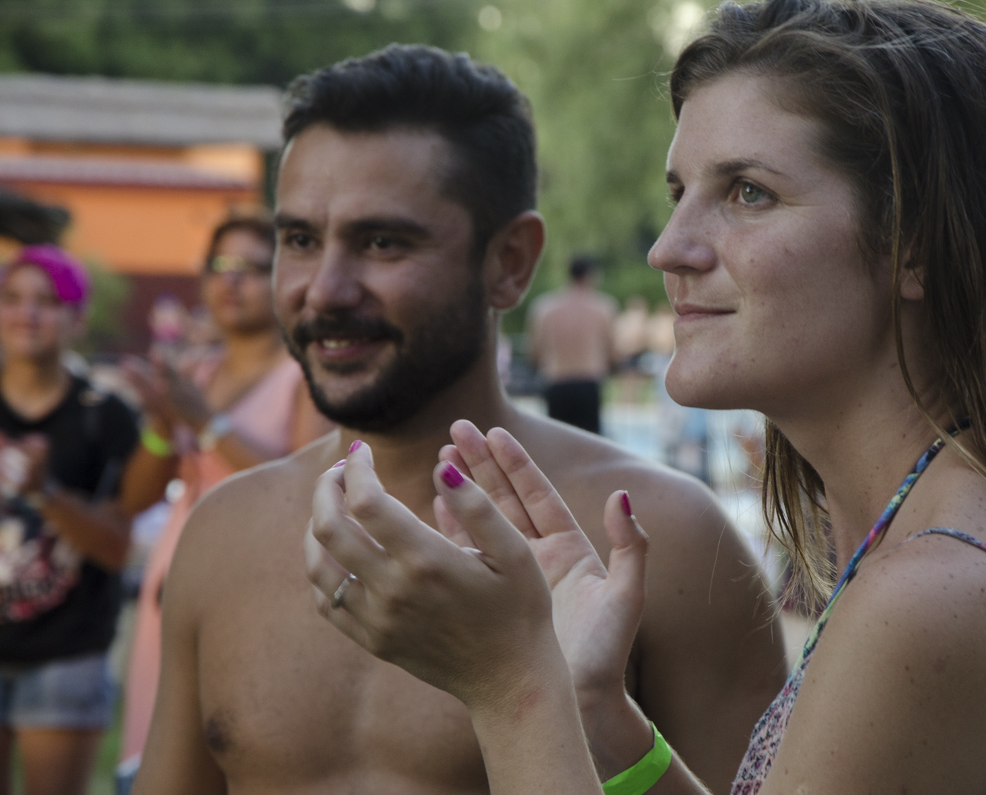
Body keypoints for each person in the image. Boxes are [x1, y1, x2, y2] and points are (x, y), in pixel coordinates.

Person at [305, 2, 986, 794]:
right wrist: (597, 711)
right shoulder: (957, 543)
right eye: (680, 194)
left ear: (917, 242)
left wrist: (508, 685)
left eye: (748, 193)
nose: (668, 247)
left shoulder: (934, 594)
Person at [132, 45, 784, 795]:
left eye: (382, 242)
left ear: (510, 261)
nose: (326, 289)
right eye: (301, 240)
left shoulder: (662, 542)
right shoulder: (222, 534)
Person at [118, 215, 332, 768]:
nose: (231, 282)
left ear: (285, 276)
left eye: (251, 268)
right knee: (160, 754)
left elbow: (307, 493)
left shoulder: (306, 377)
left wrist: (206, 422)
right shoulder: (197, 372)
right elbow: (136, 499)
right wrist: (161, 422)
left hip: (257, 585)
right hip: (174, 576)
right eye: (220, 266)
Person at [0, 245, 148, 795]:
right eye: (12, 298)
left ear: (77, 318)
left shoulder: (106, 415)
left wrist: (43, 490)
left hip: (67, 652)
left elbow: (116, 548)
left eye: (47, 302)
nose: (27, 314)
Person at [528, 256, 617, 433]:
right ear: (591, 275)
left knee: (558, 442)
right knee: (590, 443)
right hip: (588, 381)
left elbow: (535, 351)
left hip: (556, 381)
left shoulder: (545, 306)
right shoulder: (602, 306)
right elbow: (612, 352)